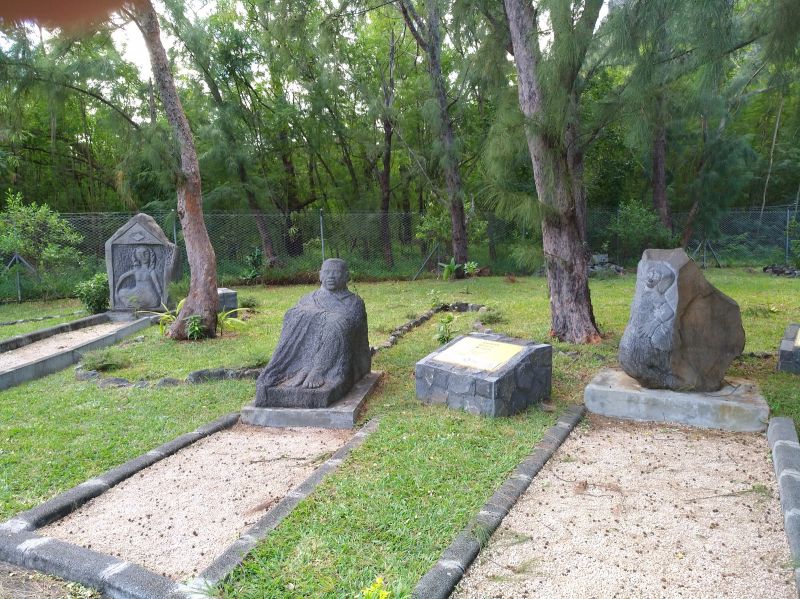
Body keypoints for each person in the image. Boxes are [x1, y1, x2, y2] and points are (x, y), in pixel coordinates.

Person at [255, 258, 370, 407]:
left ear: (347, 276)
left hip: (341, 354)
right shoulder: (309, 298)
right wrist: (324, 317)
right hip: (307, 352)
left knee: (338, 324)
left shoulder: (354, 302)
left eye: (336, 273)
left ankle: (319, 370)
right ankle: (301, 369)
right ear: (320, 275)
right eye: (327, 272)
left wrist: (331, 321)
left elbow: (353, 327)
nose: (331, 277)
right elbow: (294, 315)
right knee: (293, 315)